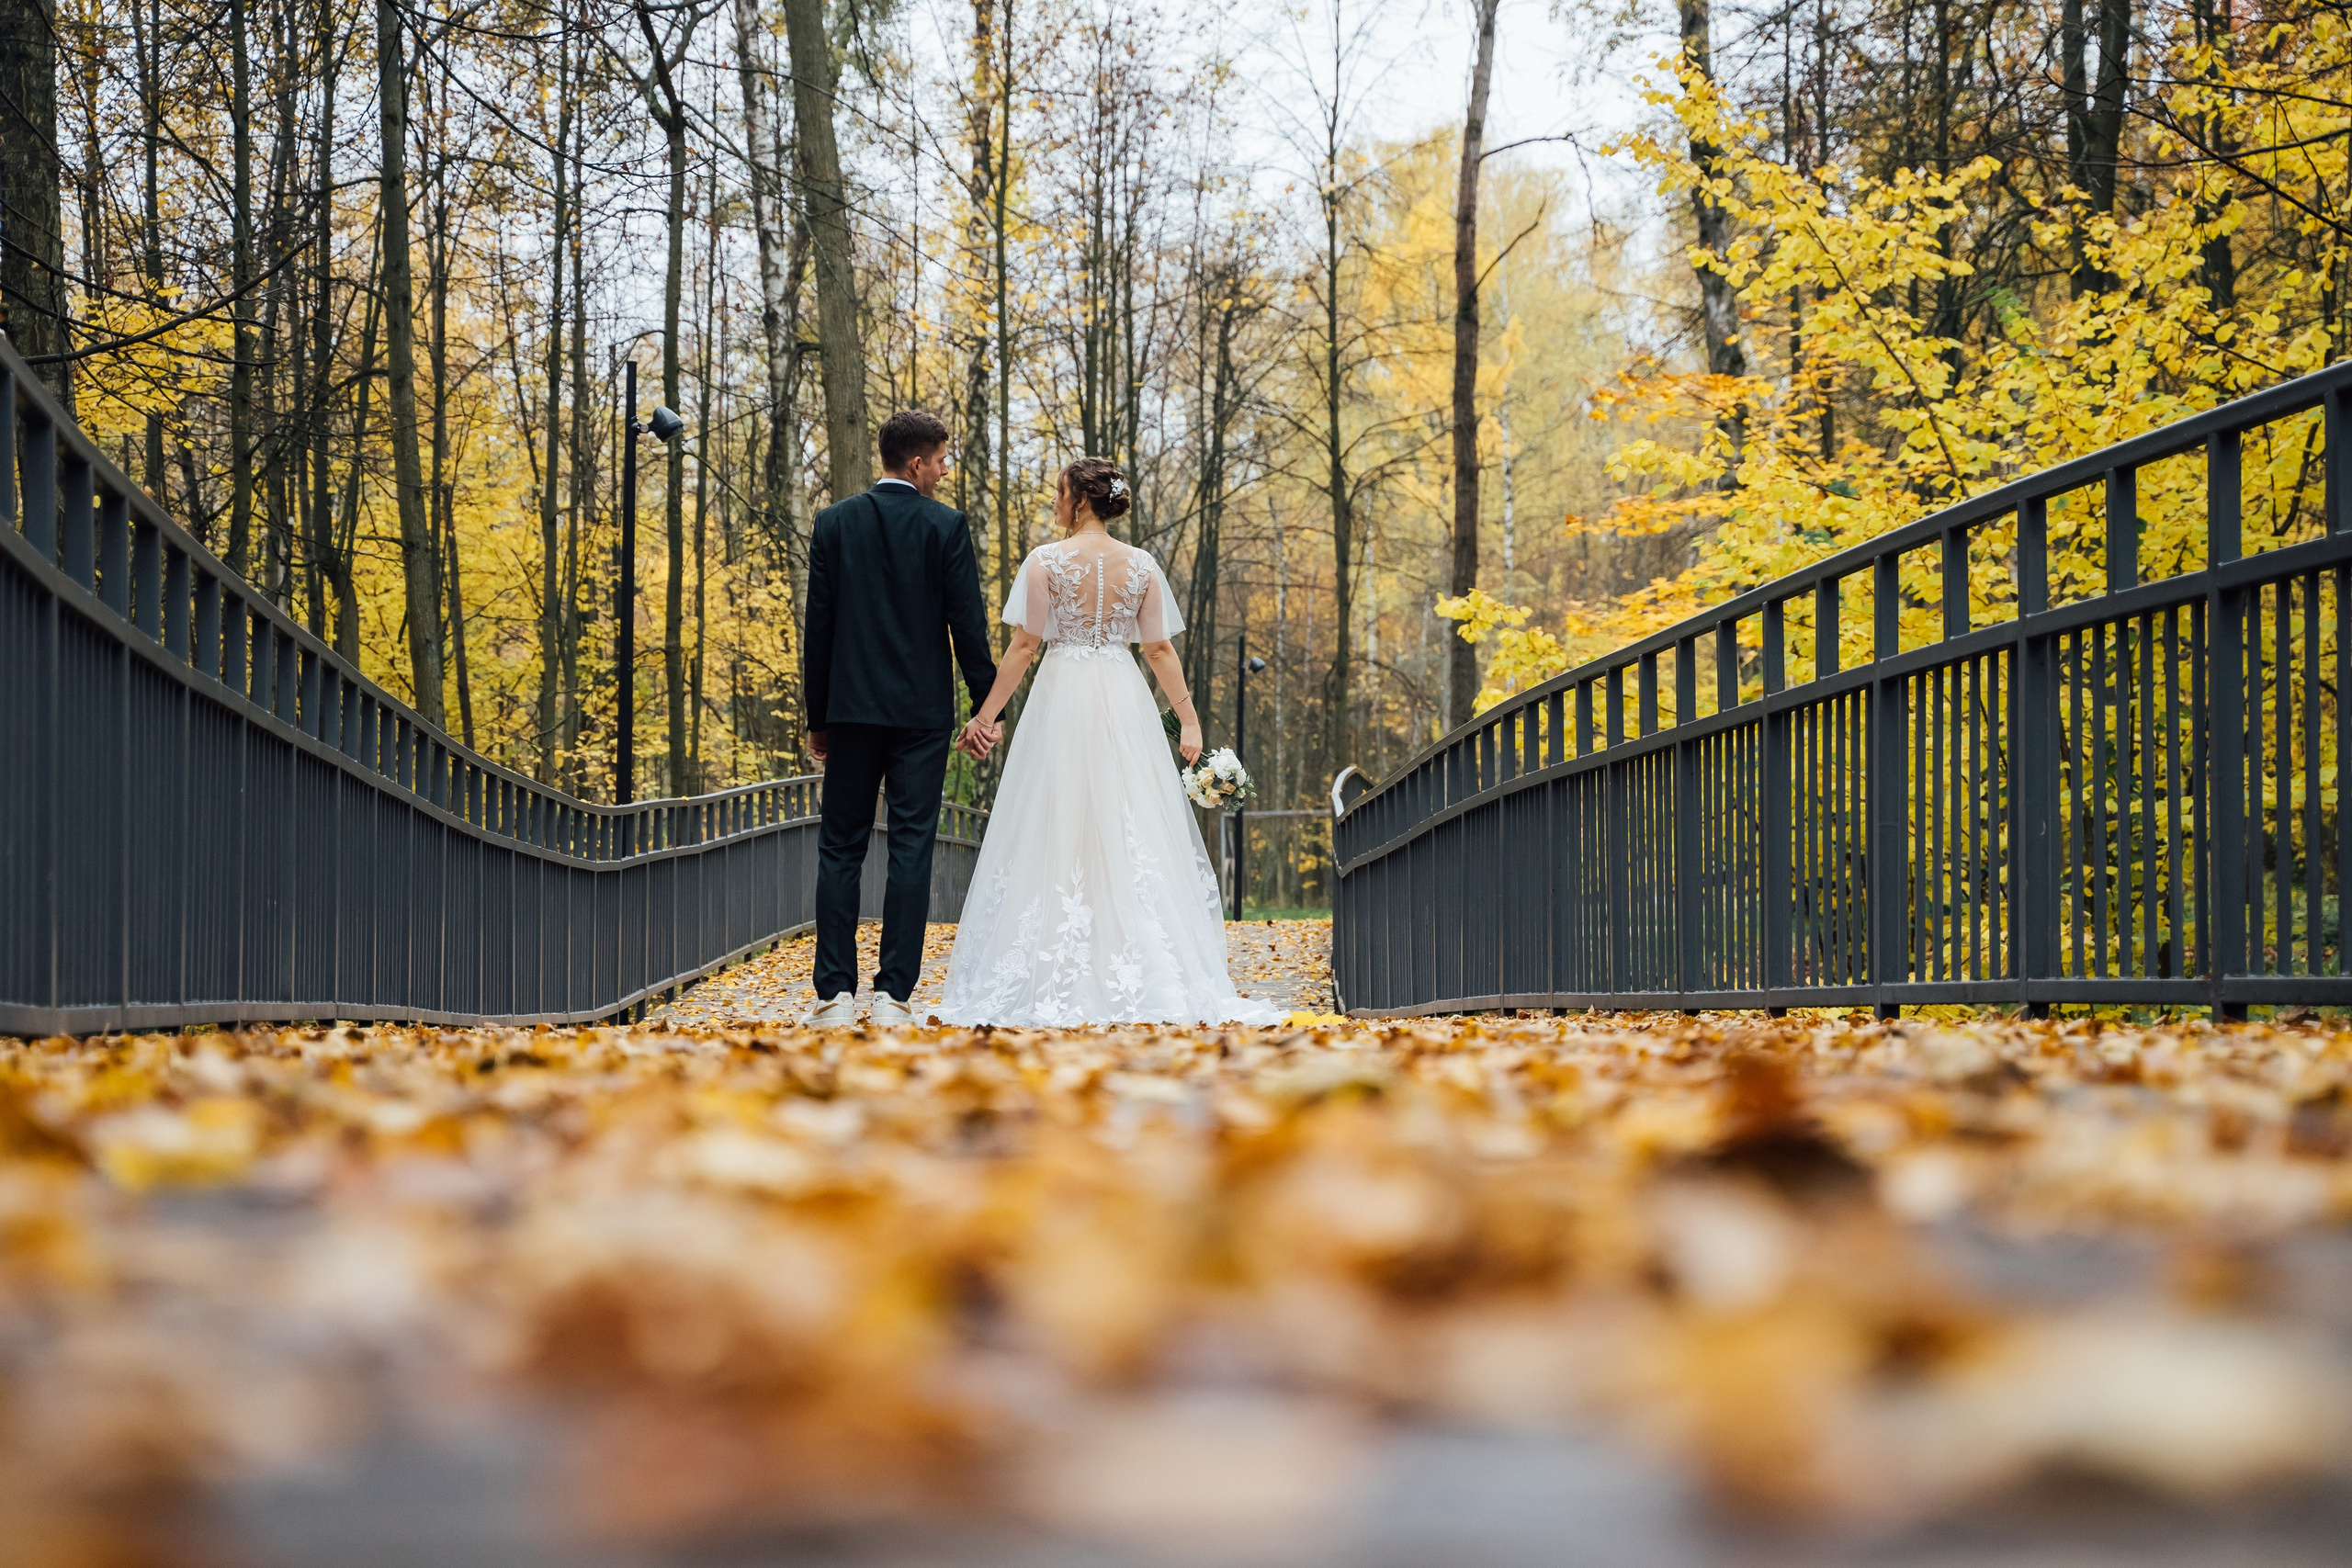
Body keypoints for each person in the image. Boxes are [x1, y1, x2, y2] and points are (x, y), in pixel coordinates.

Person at [936, 457, 1283, 1028]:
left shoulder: (1045, 561)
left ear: (1079, 501)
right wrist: (1189, 722)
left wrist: (986, 716)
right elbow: (1159, 651)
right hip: (1123, 696)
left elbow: (1025, 647)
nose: (1055, 500)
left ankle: (1052, 969)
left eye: (1059, 492)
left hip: (1064, 696)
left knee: (1056, 819)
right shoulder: (1141, 564)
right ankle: (1143, 967)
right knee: (1131, 818)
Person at [801, 411, 996, 1027]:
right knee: (912, 846)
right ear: (915, 464)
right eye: (941, 458)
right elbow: (967, 626)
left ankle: (833, 996)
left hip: (852, 710)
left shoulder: (834, 523)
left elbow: (820, 628)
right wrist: (984, 708)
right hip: (920, 716)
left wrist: (818, 717)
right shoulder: (945, 526)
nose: (945, 468)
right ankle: (892, 997)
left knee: (841, 847)